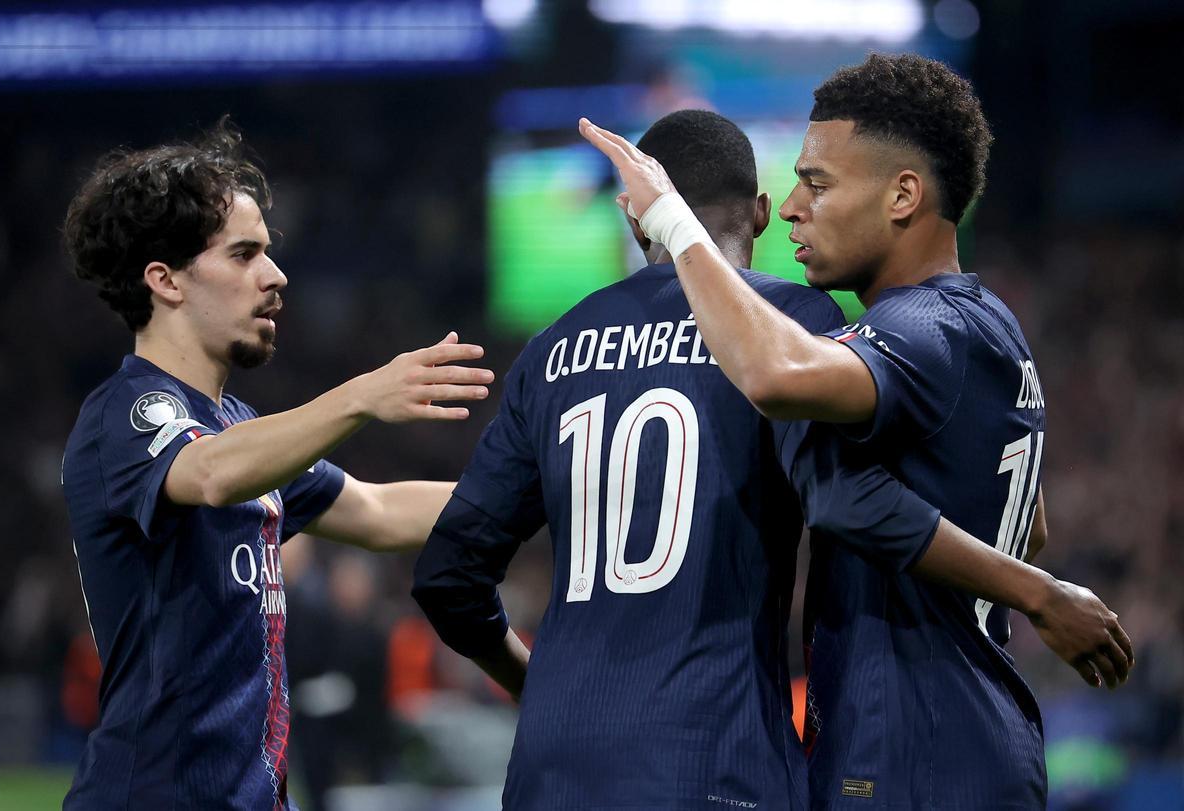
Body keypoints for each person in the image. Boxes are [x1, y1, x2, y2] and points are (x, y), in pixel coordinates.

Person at [414, 110, 1125, 809]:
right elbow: (849, 499)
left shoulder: (551, 352)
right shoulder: (795, 330)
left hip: (550, 771)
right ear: (755, 212)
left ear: (638, 221)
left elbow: (448, 574)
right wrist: (1035, 586)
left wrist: (535, 683)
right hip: (720, 761)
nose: (793, 210)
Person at [59, 120, 493, 810]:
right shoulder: (125, 414)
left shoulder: (241, 427)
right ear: (165, 280)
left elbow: (379, 512)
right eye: (244, 254)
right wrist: (362, 395)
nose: (276, 275)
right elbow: (207, 475)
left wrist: (550, 488)